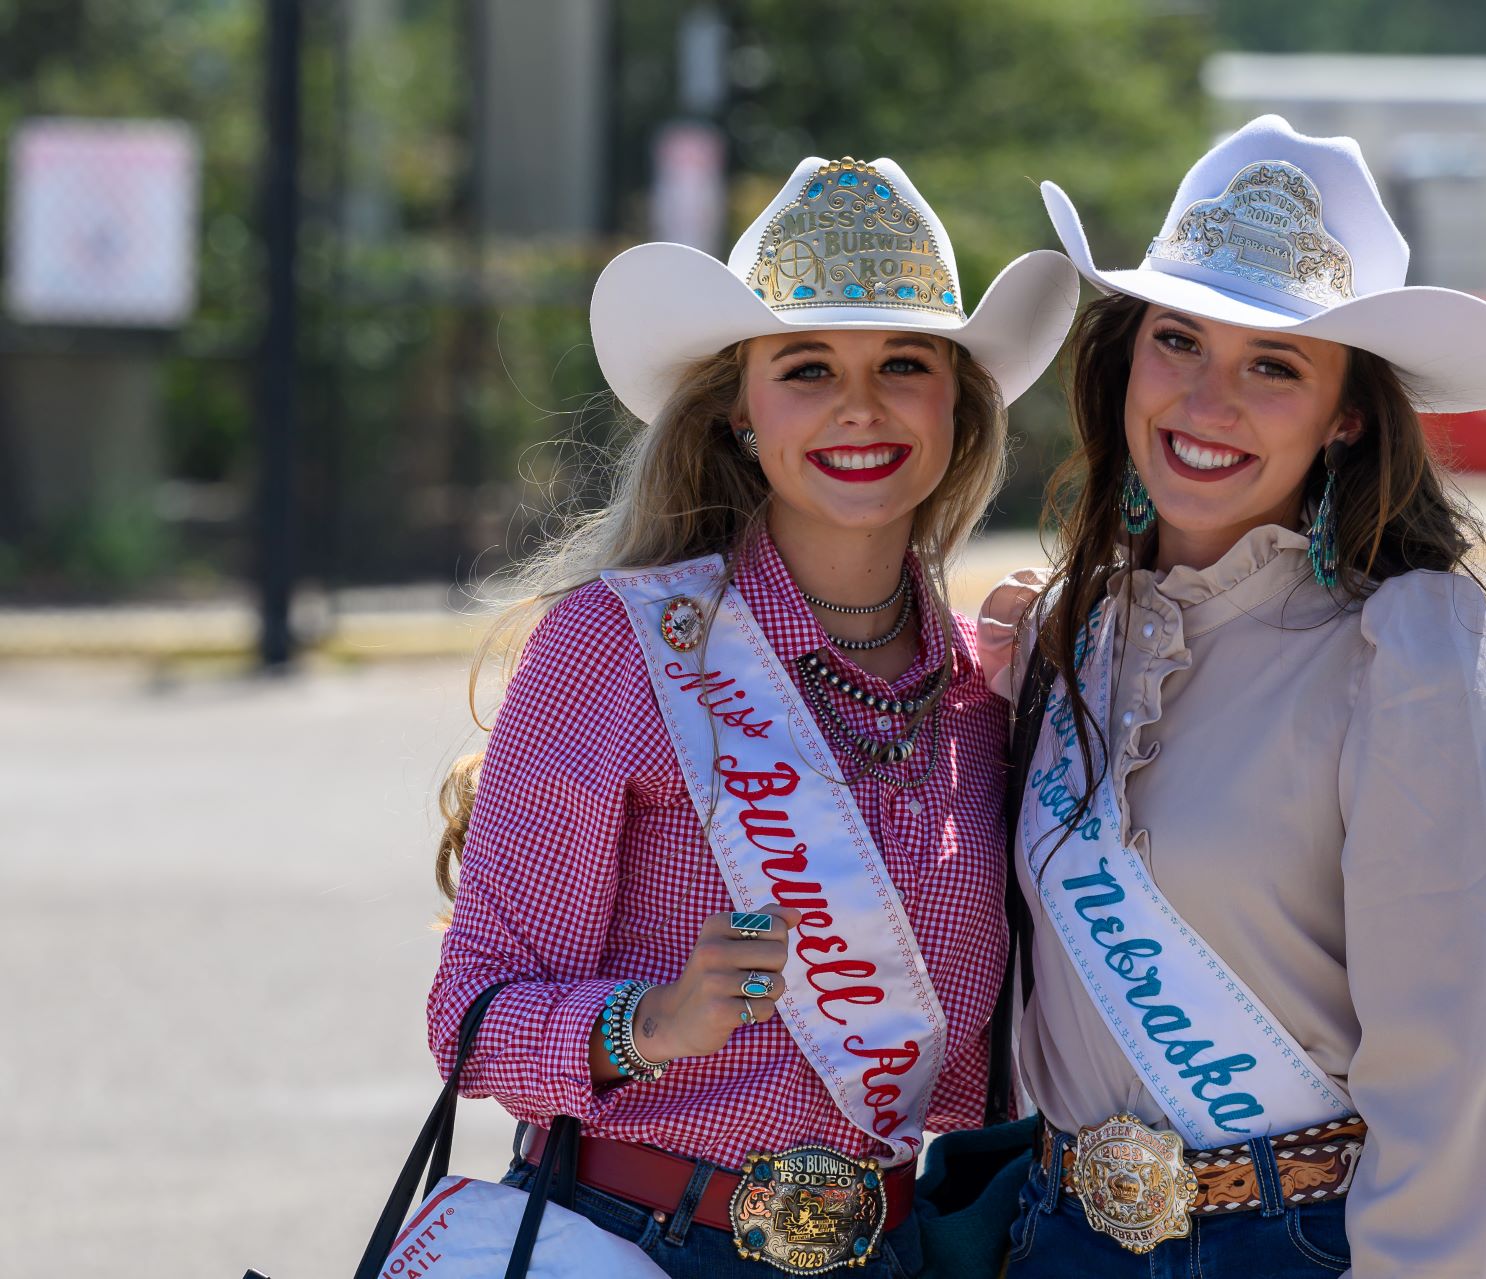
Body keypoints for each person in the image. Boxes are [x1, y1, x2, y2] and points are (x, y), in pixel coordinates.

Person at [425, 154, 1078, 1279]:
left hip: (895, 1254)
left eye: (904, 363)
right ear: (740, 408)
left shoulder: (992, 692)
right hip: (639, 1242)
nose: (859, 405)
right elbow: (471, 1015)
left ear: (955, 405)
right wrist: (654, 1022)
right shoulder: (616, 646)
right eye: (808, 367)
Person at [979, 116, 1486, 1278]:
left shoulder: (1403, 645)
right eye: (1179, 341)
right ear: (1125, 358)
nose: (1207, 400)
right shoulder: (1074, 635)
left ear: (1346, 414)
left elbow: (1449, 1070)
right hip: (1057, 1241)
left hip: (1297, 1248)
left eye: (1273, 365)